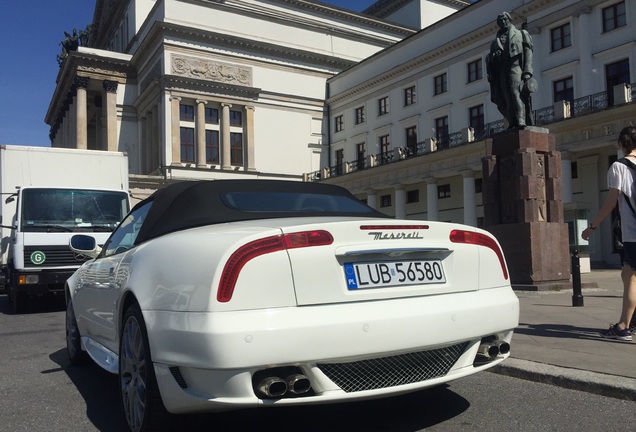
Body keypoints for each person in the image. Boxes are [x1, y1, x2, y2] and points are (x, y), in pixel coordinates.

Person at [582, 126, 636, 341]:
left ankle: (623, 326)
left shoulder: (618, 167)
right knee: (626, 274)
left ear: (621, 144)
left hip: (633, 232)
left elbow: (611, 203)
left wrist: (592, 226)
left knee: (631, 278)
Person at [486, 12, 535, 129]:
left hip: (515, 67)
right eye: (500, 21)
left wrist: (527, 71)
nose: (503, 22)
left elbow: (528, 52)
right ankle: (512, 122)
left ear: (509, 19)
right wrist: (494, 57)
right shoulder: (494, 43)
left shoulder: (521, 34)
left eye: (505, 19)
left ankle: (521, 120)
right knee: (506, 97)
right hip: (503, 71)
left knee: (515, 93)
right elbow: (490, 60)